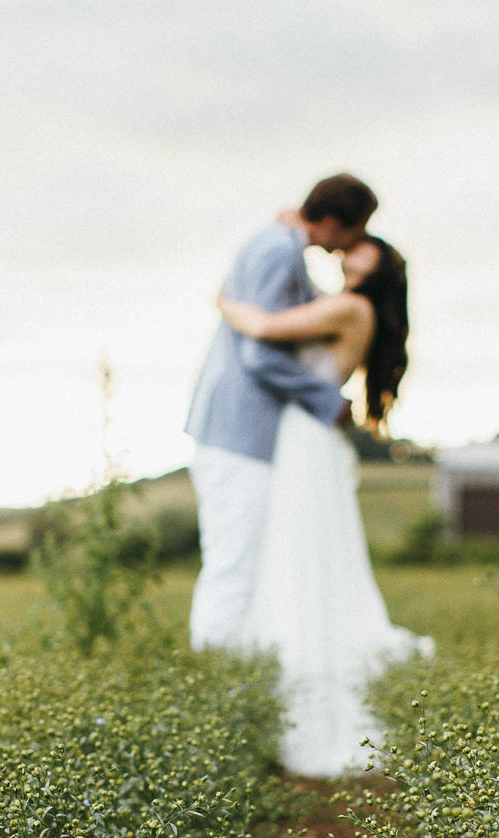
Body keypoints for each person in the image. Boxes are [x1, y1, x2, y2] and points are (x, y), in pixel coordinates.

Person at [213, 233, 433, 776]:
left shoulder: (348, 307)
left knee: (299, 562)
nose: (348, 252)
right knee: (302, 560)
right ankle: (288, 707)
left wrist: (225, 300)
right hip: (307, 437)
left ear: (373, 273)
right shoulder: (348, 307)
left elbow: (264, 327)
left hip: (304, 442)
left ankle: (303, 718)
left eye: (361, 251)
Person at [183, 174, 376, 654]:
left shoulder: (275, 244)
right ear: (332, 223)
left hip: (235, 428)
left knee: (240, 558)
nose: (356, 241)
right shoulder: (279, 251)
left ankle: (228, 660)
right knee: (233, 562)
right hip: (240, 430)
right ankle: (213, 664)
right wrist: (330, 402)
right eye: (357, 229)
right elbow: (260, 355)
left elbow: (297, 315)